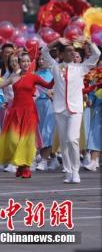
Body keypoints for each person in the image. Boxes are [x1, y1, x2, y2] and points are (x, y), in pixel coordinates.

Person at [0, 53, 54, 178]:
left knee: (27, 141)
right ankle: (20, 165)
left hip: (29, 112)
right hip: (15, 112)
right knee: (12, 140)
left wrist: (59, 74)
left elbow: (49, 86)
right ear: (19, 63)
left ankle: (25, 166)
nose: (26, 63)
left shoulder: (34, 77)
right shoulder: (13, 78)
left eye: (28, 61)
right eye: (23, 61)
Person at [42, 38, 100, 184]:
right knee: (63, 142)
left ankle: (75, 171)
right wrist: (56, 41)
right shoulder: (55, 66)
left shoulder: (81, 67)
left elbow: (96, 54)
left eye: (74, 51)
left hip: (75, 109)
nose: (73, 53)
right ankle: (68, 172)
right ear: (61, 54)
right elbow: (44, 51)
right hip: (60, 109)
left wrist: (87, 41)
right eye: (69, 51)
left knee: (72, 139)